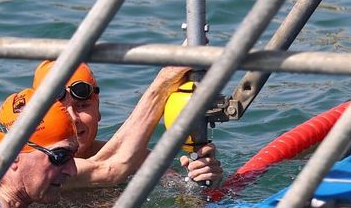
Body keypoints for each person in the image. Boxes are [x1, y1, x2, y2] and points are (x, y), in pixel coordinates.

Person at [30, 59, 223, 188]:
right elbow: (109, 166)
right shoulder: (29, 164)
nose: (73, 118)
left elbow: (184, 201)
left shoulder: (139, 160)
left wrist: (202, 180)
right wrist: (163, 83)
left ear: (98, 111)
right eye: (59, 109)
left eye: (82, 106)